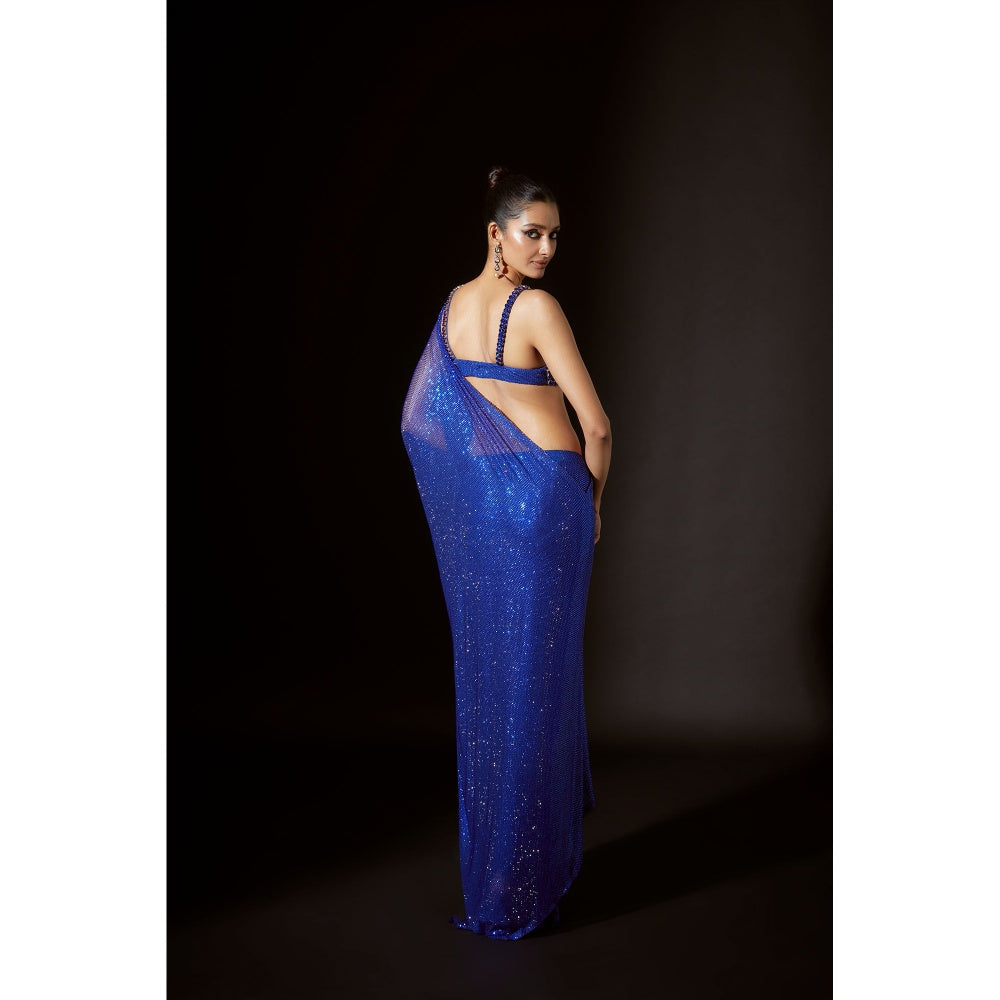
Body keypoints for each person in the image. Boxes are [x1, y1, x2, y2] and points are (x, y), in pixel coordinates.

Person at [400, 165, 612, 940]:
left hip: (490, 513)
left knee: (499, 683)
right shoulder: (537, 308)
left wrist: (479, 492)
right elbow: (597, 427)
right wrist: (592, 502)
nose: (545, 249)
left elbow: (417, 419)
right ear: (496, 232)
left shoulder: (452, 308)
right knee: (538, 687)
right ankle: (527, 886)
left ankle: (504, 877)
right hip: (551, 504)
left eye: (554, 236)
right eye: (532, 233)